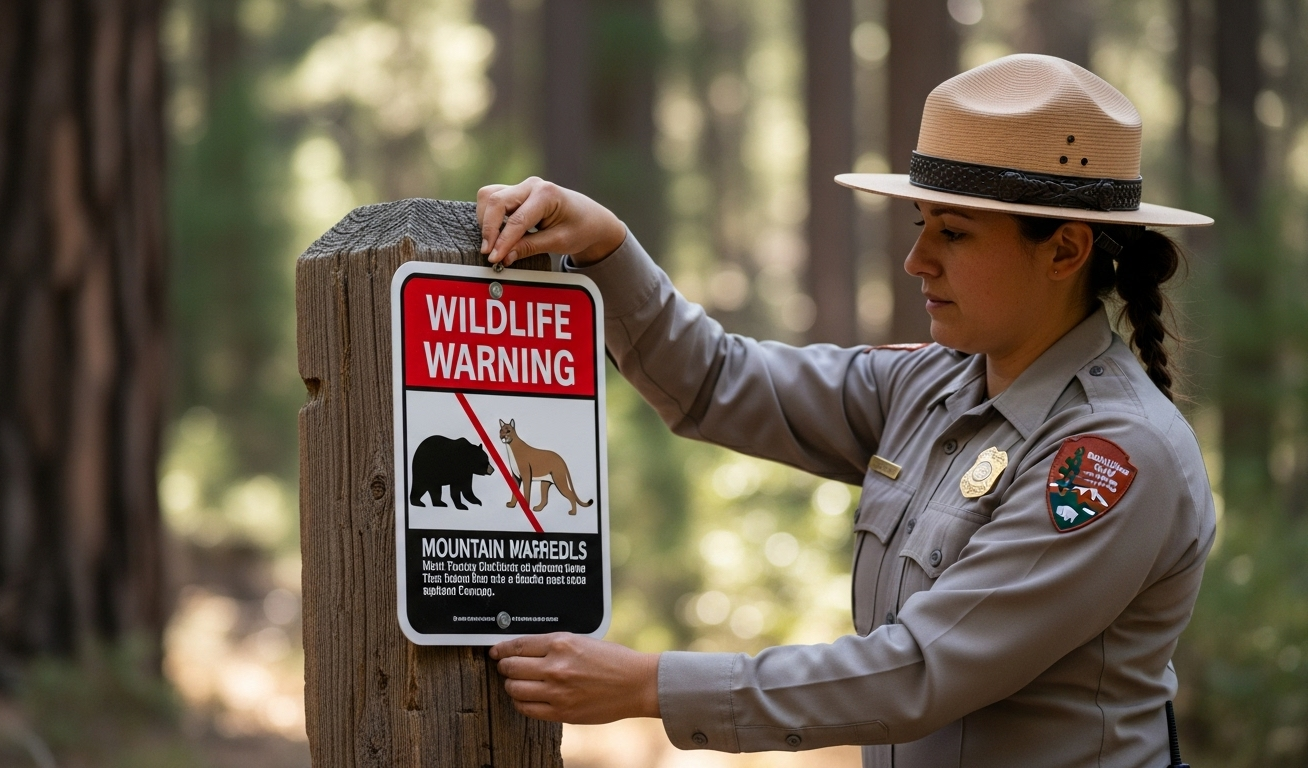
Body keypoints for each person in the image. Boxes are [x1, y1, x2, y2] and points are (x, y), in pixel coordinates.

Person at [477, 54, 1215, 768]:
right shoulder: (931, 387)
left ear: (1065, 251)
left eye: (952, 232)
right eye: (921, 223)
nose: (917, 259)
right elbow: (715, 381)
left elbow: (919, 670)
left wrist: (647, 684)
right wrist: (608, 248)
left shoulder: (1115, 456)